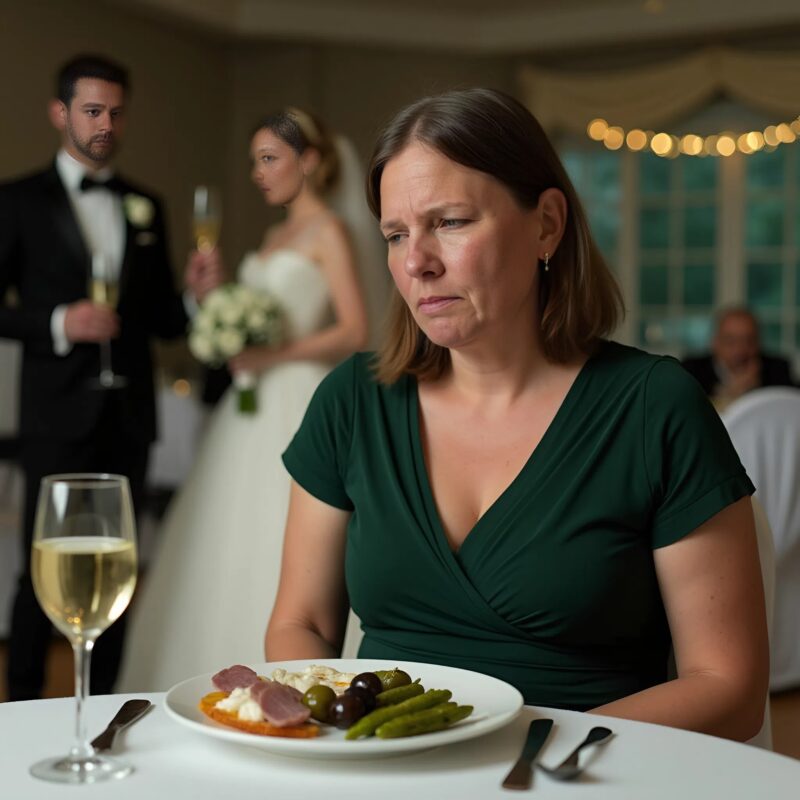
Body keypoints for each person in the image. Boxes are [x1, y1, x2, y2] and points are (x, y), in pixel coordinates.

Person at [266, 88, 769, 742]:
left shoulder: (654, 408)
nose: (416, 262)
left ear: (547, 225)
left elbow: (729, 689)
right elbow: (298, 622)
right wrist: (334, 735)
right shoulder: (350, 403)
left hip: (584, 777)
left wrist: (517, 746)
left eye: (450, 221)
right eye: (396, 234)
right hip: (383, 772)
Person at [119, 108, 377, 692]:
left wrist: (273, 357)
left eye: (269, 159)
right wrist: (213, 297)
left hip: (296, 399)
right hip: (248, 409)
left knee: (286, 532)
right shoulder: (272, 237)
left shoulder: (329, 232)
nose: (259, 174)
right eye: (256, 161)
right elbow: (253, 324)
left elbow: (356, 331)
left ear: (308, 161)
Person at [0, 54, 220, 700]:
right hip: (54, 415)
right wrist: (63, 321)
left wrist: (196, 297)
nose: (106, 124)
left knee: (117, 568)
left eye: (116, 112)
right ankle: (15, 717)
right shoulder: (16, 202)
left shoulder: (145, 204)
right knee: (42, 570)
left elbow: (161, 321)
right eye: (93, 111)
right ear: (60, 112)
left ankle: (106, 711)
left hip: (128, 420)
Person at [682, 306, 795, 413]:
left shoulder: (778, 369)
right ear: (715, 342)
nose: (740, 350)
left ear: (758, 343)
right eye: (730, 341)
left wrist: (754, 393)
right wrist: (728, 396)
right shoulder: (692, 370)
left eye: (749, 341)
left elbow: (791, 409)